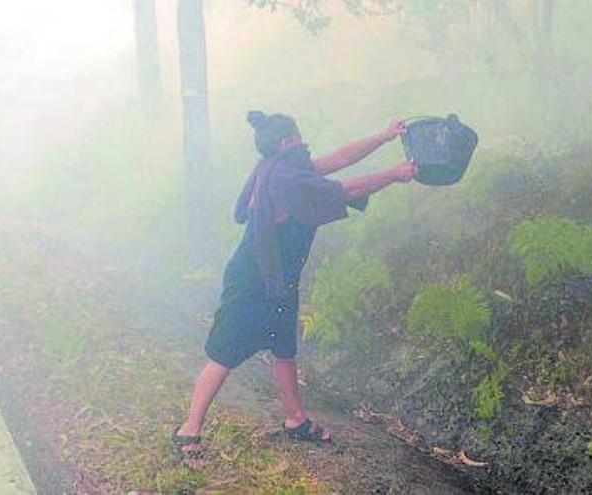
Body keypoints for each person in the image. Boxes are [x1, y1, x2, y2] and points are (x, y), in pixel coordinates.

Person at [172, 110, 416, 464]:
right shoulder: (285, 178)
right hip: (253, 281)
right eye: (299, 137)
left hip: (279, 279)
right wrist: (395, 174)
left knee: (284, 348)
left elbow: (338, 159)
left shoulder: (286, 167)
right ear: (287, 141)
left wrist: (384, 136)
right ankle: (188, 431)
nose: (305, 144)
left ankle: (295, 420)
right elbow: (347, 188)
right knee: (223, 354)